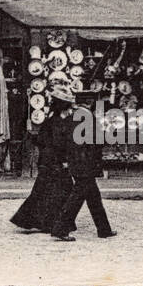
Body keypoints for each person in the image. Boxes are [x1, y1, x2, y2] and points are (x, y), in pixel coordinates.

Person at [10, 85, 75, 233]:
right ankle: (52, 222)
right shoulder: (57, 120)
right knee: (62, 190)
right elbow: (58, 143)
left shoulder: (52, 118)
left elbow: (41, 139)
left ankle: (39, 221)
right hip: (54, 161)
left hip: (47, 160)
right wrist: (64, 160)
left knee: (44, 190)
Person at [54, 94, 116, 240]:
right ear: (90, 102)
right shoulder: (88, 118)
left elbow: (63, 141)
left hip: (76, 163)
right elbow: (98, 142)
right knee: (76, 198)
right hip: (86, 165)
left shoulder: (71, 118)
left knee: (94, 197)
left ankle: (104, 229)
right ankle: (60, 229)